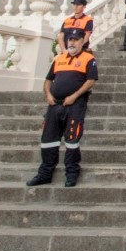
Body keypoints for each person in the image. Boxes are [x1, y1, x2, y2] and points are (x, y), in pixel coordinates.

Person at [26, 29, 97, 188]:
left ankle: (71, 173)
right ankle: (45, 173)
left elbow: (90, 81)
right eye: (69, 39)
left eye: (76, 39)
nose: (72, 42)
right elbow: (48, 79)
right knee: (48, 140)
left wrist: (74, 96)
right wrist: (48, 95)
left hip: (75, 105)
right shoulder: (59, 59)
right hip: (54, 105)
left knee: (72, 140)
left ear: (82, 41)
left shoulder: (88, 58)